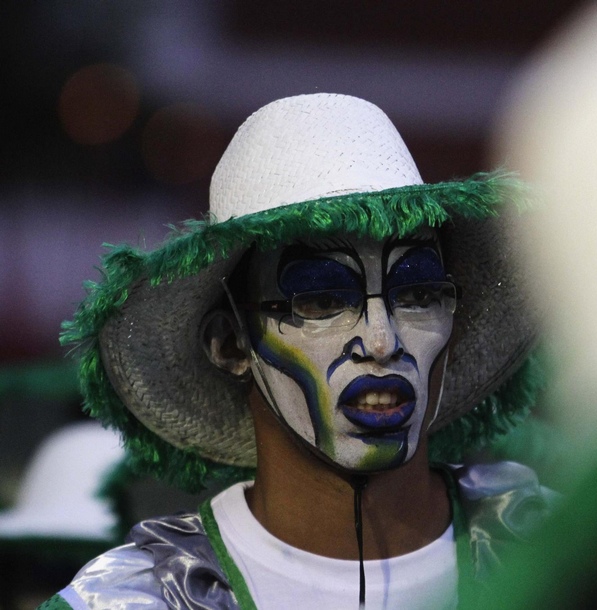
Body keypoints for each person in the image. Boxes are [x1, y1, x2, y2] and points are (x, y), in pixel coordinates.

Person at [41, 94, 549, 609]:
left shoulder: (560, 554)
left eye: (417, 295)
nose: (382, 342)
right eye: (324, 299)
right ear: (230, 343)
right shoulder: (145, 597)